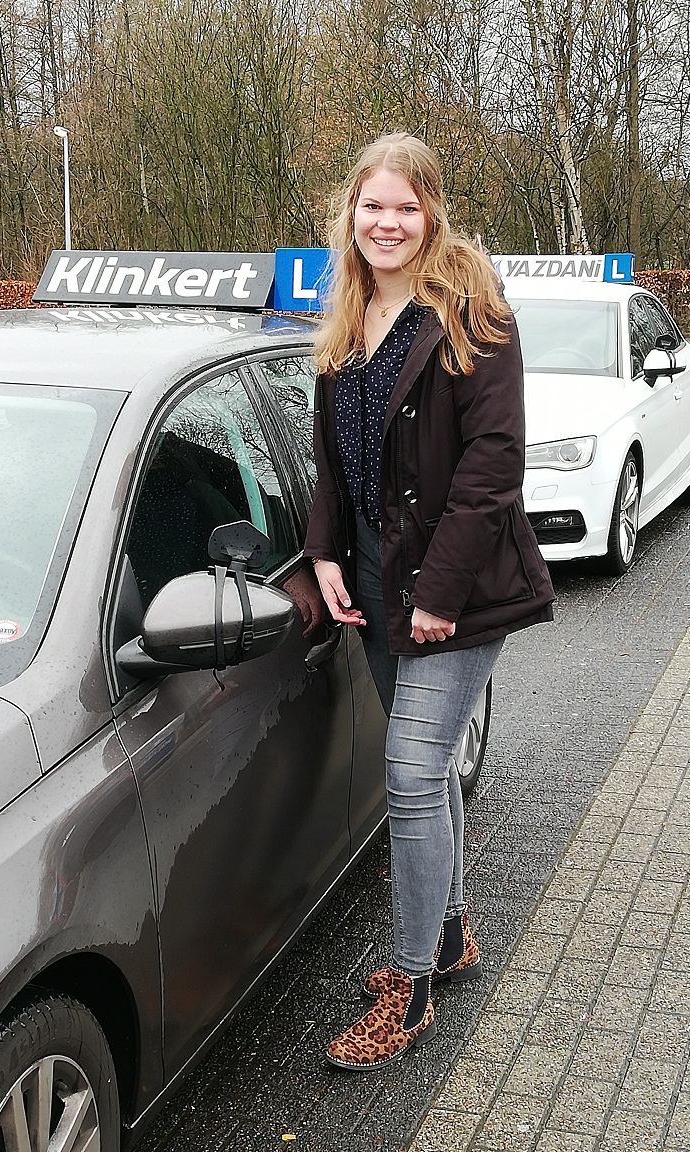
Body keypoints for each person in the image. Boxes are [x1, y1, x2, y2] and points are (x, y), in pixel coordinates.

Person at [305, 132, 555, 1071]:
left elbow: (494, 465)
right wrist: (325, 553)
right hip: (374, 578)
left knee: (410, 776)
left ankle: (410, 990)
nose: (387, 223)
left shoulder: (473, 311)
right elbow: (333, 457)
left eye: (405, 208)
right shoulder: (347, 313)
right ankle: (448, 935)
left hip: (459, 583)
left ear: (432, 213)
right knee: (433, 768)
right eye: (373, 206)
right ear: (351, 214)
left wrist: (440, 595)